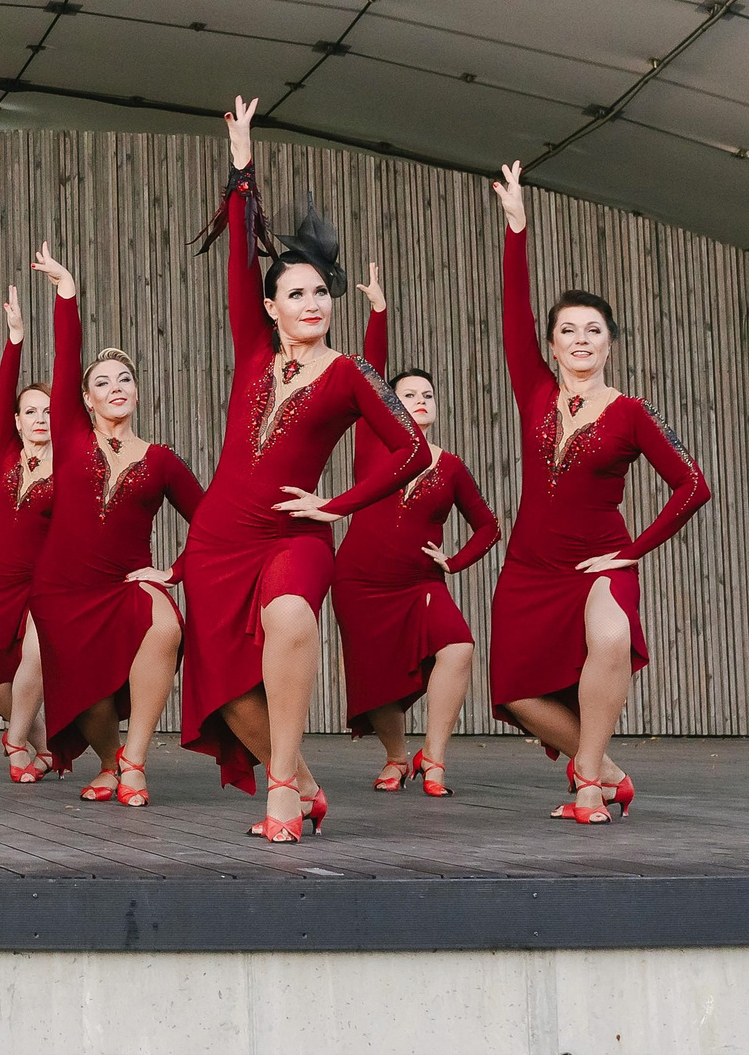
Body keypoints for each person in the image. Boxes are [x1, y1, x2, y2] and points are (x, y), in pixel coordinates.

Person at [175, 97, 427, 844]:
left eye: (321, 291)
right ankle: (306, 784)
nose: (312, 302)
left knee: (289, 617)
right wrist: (242, 166)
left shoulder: (350, 373)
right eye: (296, 292)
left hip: (293, 535)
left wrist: (337, 505)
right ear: (270, 306)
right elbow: (239, 252)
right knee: (227, 693)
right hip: (218, 541)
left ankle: (282, 790)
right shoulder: (251, 347)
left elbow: (412, 450)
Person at [487, 162, 711, 822]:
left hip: (599, 561)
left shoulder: (632, 412)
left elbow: (693, 485)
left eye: (593, 331)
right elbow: (514, 312)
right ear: (552, 346)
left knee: (611, 640)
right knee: (515, 693)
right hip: (530, 565)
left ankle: (587, 787)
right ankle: (608, 771)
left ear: (610, 344)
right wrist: (517, 229)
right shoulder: (533, 388)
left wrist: (632, 551)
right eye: (568, 331)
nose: (580, 340)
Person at [26, 245, 202, 808]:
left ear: (137, 390)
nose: (115, 387)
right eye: (102, 382)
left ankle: (135, 761)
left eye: (124, 378)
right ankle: (108, 762)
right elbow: (66, 354)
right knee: (86, 694)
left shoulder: (162, 459)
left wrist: (174, 570)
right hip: (60, 589)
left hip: (126, 581)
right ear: (85, 398)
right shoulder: (70, 435)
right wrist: (67, 293)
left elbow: (211, 521)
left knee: (166, 627)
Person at [332, 264, 500, 797]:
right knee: (376, 676)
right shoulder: (372, 441)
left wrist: (455, 561)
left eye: (427, 394)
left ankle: (435, 759)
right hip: (358, 581)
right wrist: (378, 312)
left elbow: (489, 526)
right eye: (408, 394)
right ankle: (396, 756)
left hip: (419, 582)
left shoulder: (451, 467)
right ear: (390, 405)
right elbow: (371, 372)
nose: (420, 399)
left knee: (459, 648)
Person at [0, 281, 55, 783]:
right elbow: (5, 390)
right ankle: (43, 748)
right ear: (18, 421)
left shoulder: (69, 467)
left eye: (48, 411)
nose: (40, 418)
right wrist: (16, 337)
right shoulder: (6, 453)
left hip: (42, 583)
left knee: (34, 658)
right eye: (31, 411)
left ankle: (15, 742)